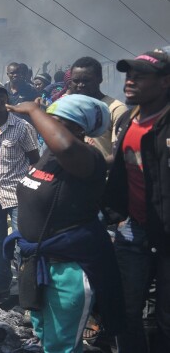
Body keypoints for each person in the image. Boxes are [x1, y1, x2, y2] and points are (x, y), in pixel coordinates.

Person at [5, 95, 125, 353]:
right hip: (38, 264)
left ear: (77, 129)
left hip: (66, 270)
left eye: (52, 121)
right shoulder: (50, 155)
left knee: (62, 345)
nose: (45, 125)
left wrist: (35, 110)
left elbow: (67, 148)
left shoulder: (86, 157)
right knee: (45, 336)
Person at [101, 49, 170, 353]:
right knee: (124, 313)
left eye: (141, 76)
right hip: (133, 231)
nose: (130, 81)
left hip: (166, 236)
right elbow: (121, 170)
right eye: (129, 75)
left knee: (166, 320)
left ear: (165, 82)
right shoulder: (130, 118)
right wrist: (117, 215)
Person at [0, 83, 39, 298]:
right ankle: (1, 283)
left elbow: (35, 161)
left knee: (23, 244)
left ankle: (26, 291)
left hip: (16, 193)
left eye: (0, 95)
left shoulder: (22, 127)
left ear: (7, 100)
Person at [69, 56, 127, 162]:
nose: (80, 85)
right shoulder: (69, 107)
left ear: (100, 79)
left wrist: (94, 167)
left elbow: (120, 154)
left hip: (103, 176)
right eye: (76, 81)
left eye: (86, 80)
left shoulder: (116, 109)